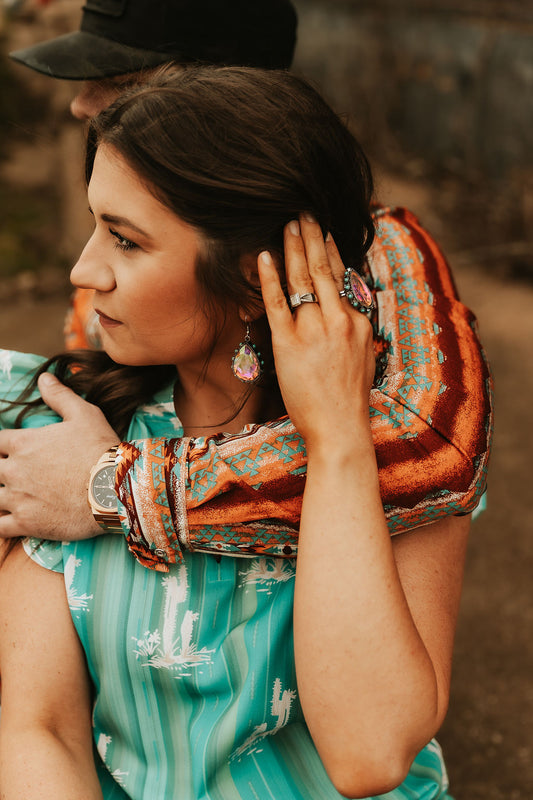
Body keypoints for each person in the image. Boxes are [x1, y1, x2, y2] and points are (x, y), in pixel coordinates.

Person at [0, 65, 474, 799]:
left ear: (255, 280)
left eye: (125, 241)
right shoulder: (62, 428)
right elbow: (39, 730)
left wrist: (338, 439)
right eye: (96, 226)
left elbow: (369, 753)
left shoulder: (401, 449)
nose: (84, 270)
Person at [1, 0, 492, 563]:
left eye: (124, 81)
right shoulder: (116, 262)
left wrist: (118, 487)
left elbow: (436, 447)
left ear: (229, 96)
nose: (78, 103)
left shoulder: (382, 249)